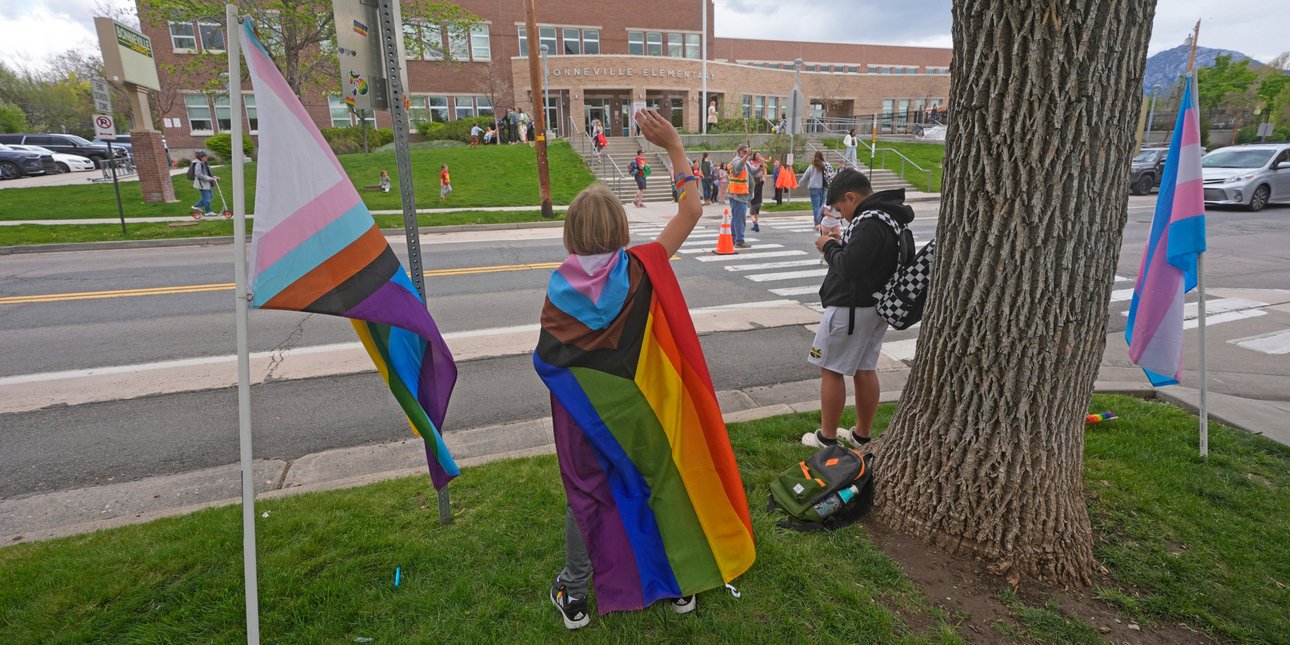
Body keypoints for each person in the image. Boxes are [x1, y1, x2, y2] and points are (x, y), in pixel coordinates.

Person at [536, 108, 754, 630]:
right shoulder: (643, 265)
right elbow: (693, 209)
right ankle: (682, 583)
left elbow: (552, 360)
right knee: (662, 480)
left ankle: (575, 593)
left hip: (585, 418)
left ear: (570, 234)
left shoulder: (557, 287)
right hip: (645, 410)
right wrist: (675, 147)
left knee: (584, 491)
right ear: (620, 229)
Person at [803, 169, 914, 449]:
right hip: (874, 306)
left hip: (851, 307)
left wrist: (829, 246)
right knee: (865, 369)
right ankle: (861, 434)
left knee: (830, 368)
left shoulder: (869, 221)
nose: (843, 216)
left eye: (841, 209)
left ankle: (826, 437)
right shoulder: (890, 215)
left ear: (851, 197)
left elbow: (850, 267)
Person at [727, 145, 752, 248]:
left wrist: (760, 166)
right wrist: (746, 156)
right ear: (740, 152)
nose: (746, 153)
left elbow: (753, 171)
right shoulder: (737, 161)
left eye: (747, 152)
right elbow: (738, 168)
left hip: (737, 194)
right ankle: (739, 240)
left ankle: (734, 238)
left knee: (736, 218)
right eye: (745, 151)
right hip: (738, 195)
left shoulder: (744, 162)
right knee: (740, 219)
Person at [799, 151, 830, 228]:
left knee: (816, 207)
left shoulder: (812, 166)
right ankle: (822, 223)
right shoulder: (827, 165)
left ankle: (817, 224)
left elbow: (805, 177)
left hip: (814, 188)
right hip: (824, 187)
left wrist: (800, 184)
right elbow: (831, 174)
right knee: (822, 207)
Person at [189, 151, 218, 217]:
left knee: (210, 197)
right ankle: (208, 211)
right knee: (207, 198)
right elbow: (198, 174)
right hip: (202, 184)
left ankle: (196, 206)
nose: (206, 157)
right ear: (201, 157)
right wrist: (209, 178)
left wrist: (213, 177)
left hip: (206, 183)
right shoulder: (198, 164)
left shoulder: (204, 163)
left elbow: (207, 173)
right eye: (205, 156)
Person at [748, 151, 765, 233]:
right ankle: (756, 224)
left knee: (752, 212)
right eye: (757, 155)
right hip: (756, 181)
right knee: (756, 212)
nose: (759, 156)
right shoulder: (751, 162)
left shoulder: (761, 163)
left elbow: (763, 171)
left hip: (757, 181)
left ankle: (755, 224)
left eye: (759, 154)